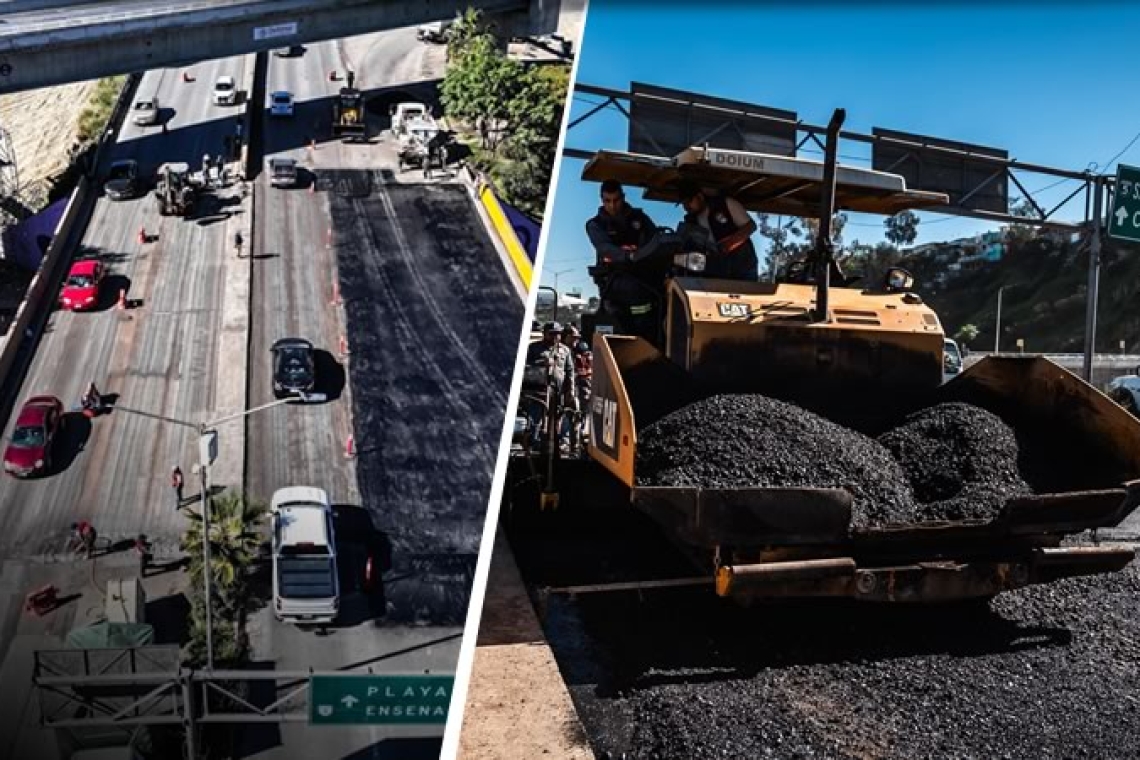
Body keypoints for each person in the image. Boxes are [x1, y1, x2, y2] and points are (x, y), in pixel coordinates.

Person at [585, 180, 667, 342]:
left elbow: (656, 239)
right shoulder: (595, 225)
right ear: (602, 200)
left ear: (623, 197)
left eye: (616, 200)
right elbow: (605, 248)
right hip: (614, 283)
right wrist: (628, 256)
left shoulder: (640, 218)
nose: (613, 205)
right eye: (607, 201)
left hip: (645, 281)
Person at [677, 180, 759, 281]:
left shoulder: (725, 204)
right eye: (683, 203)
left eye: (689, 201)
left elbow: (751, 226)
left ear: (700, 196)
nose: (686, 207)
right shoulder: (692, 221)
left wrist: (728, 244)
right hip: (717, 271)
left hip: (743, 268)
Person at [521, 323, 576, 450]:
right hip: (538, 391)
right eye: (552, 333)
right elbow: (525, 368)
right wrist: (541, 363)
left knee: (558, 417)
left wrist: (570, 391)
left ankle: (557, 444)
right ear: (545, 334)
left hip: (558, 390)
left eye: (558, 334)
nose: (555, 337)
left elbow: (570, 371)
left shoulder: (564, 350)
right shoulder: (534, 348)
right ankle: (534, 444)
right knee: (536, 417)